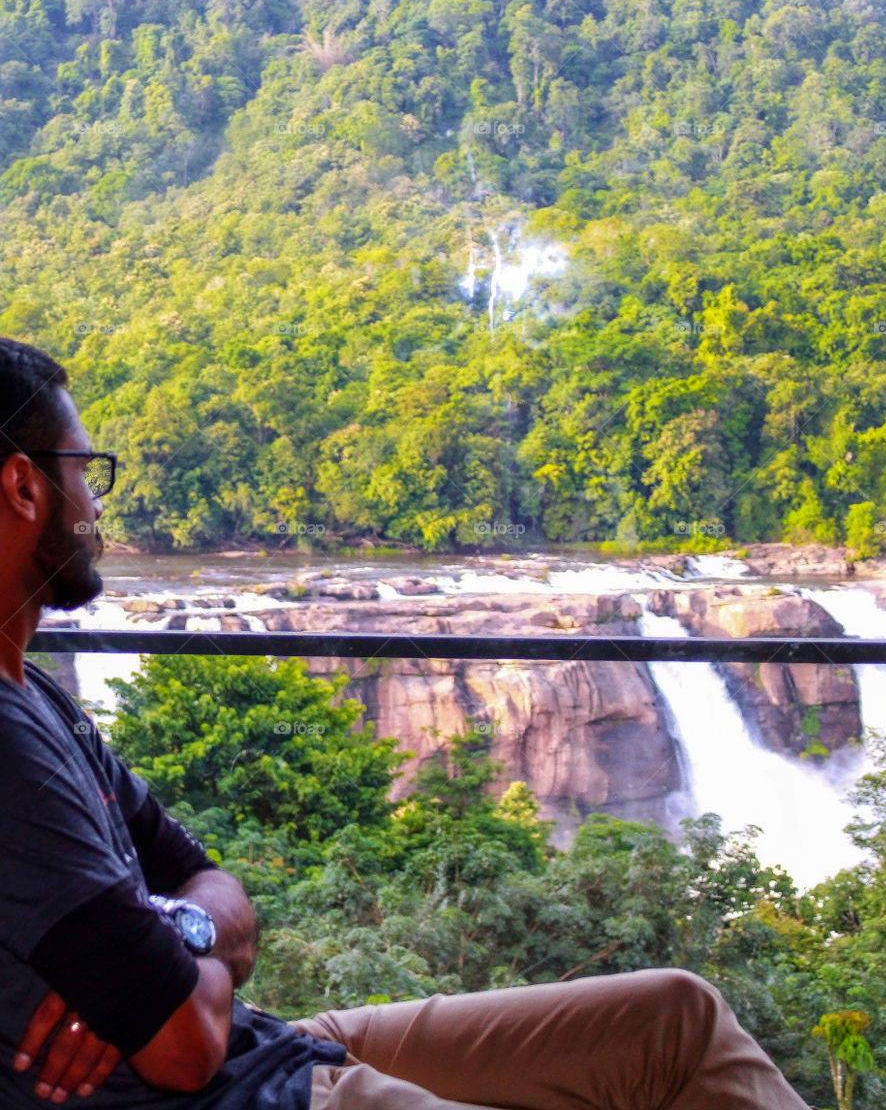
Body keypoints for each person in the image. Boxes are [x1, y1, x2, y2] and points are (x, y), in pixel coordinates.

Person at [0, 336, 810, 1110]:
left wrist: (171, 939)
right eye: (86, 470)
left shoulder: (40, 697)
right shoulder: (7, 744)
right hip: (239, 1095)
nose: (97, 503)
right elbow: (182, 1050)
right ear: (24, 487)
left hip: (263, 1046)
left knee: (674, 1020)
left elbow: (214, 892)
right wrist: (171, 973)